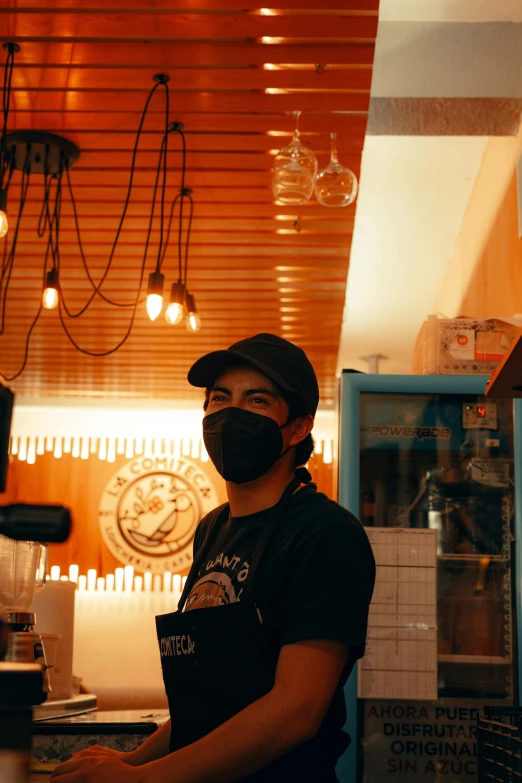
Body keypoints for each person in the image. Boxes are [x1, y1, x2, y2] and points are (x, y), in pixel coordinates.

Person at [51, 333, 375, 783]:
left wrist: (141, 780)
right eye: (219, 397)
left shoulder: (325, 533)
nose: (230, 413)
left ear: (299, 427)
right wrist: (133, 760)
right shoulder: (213, 528)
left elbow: (295, 711)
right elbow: (212, 704)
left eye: (256, 400)